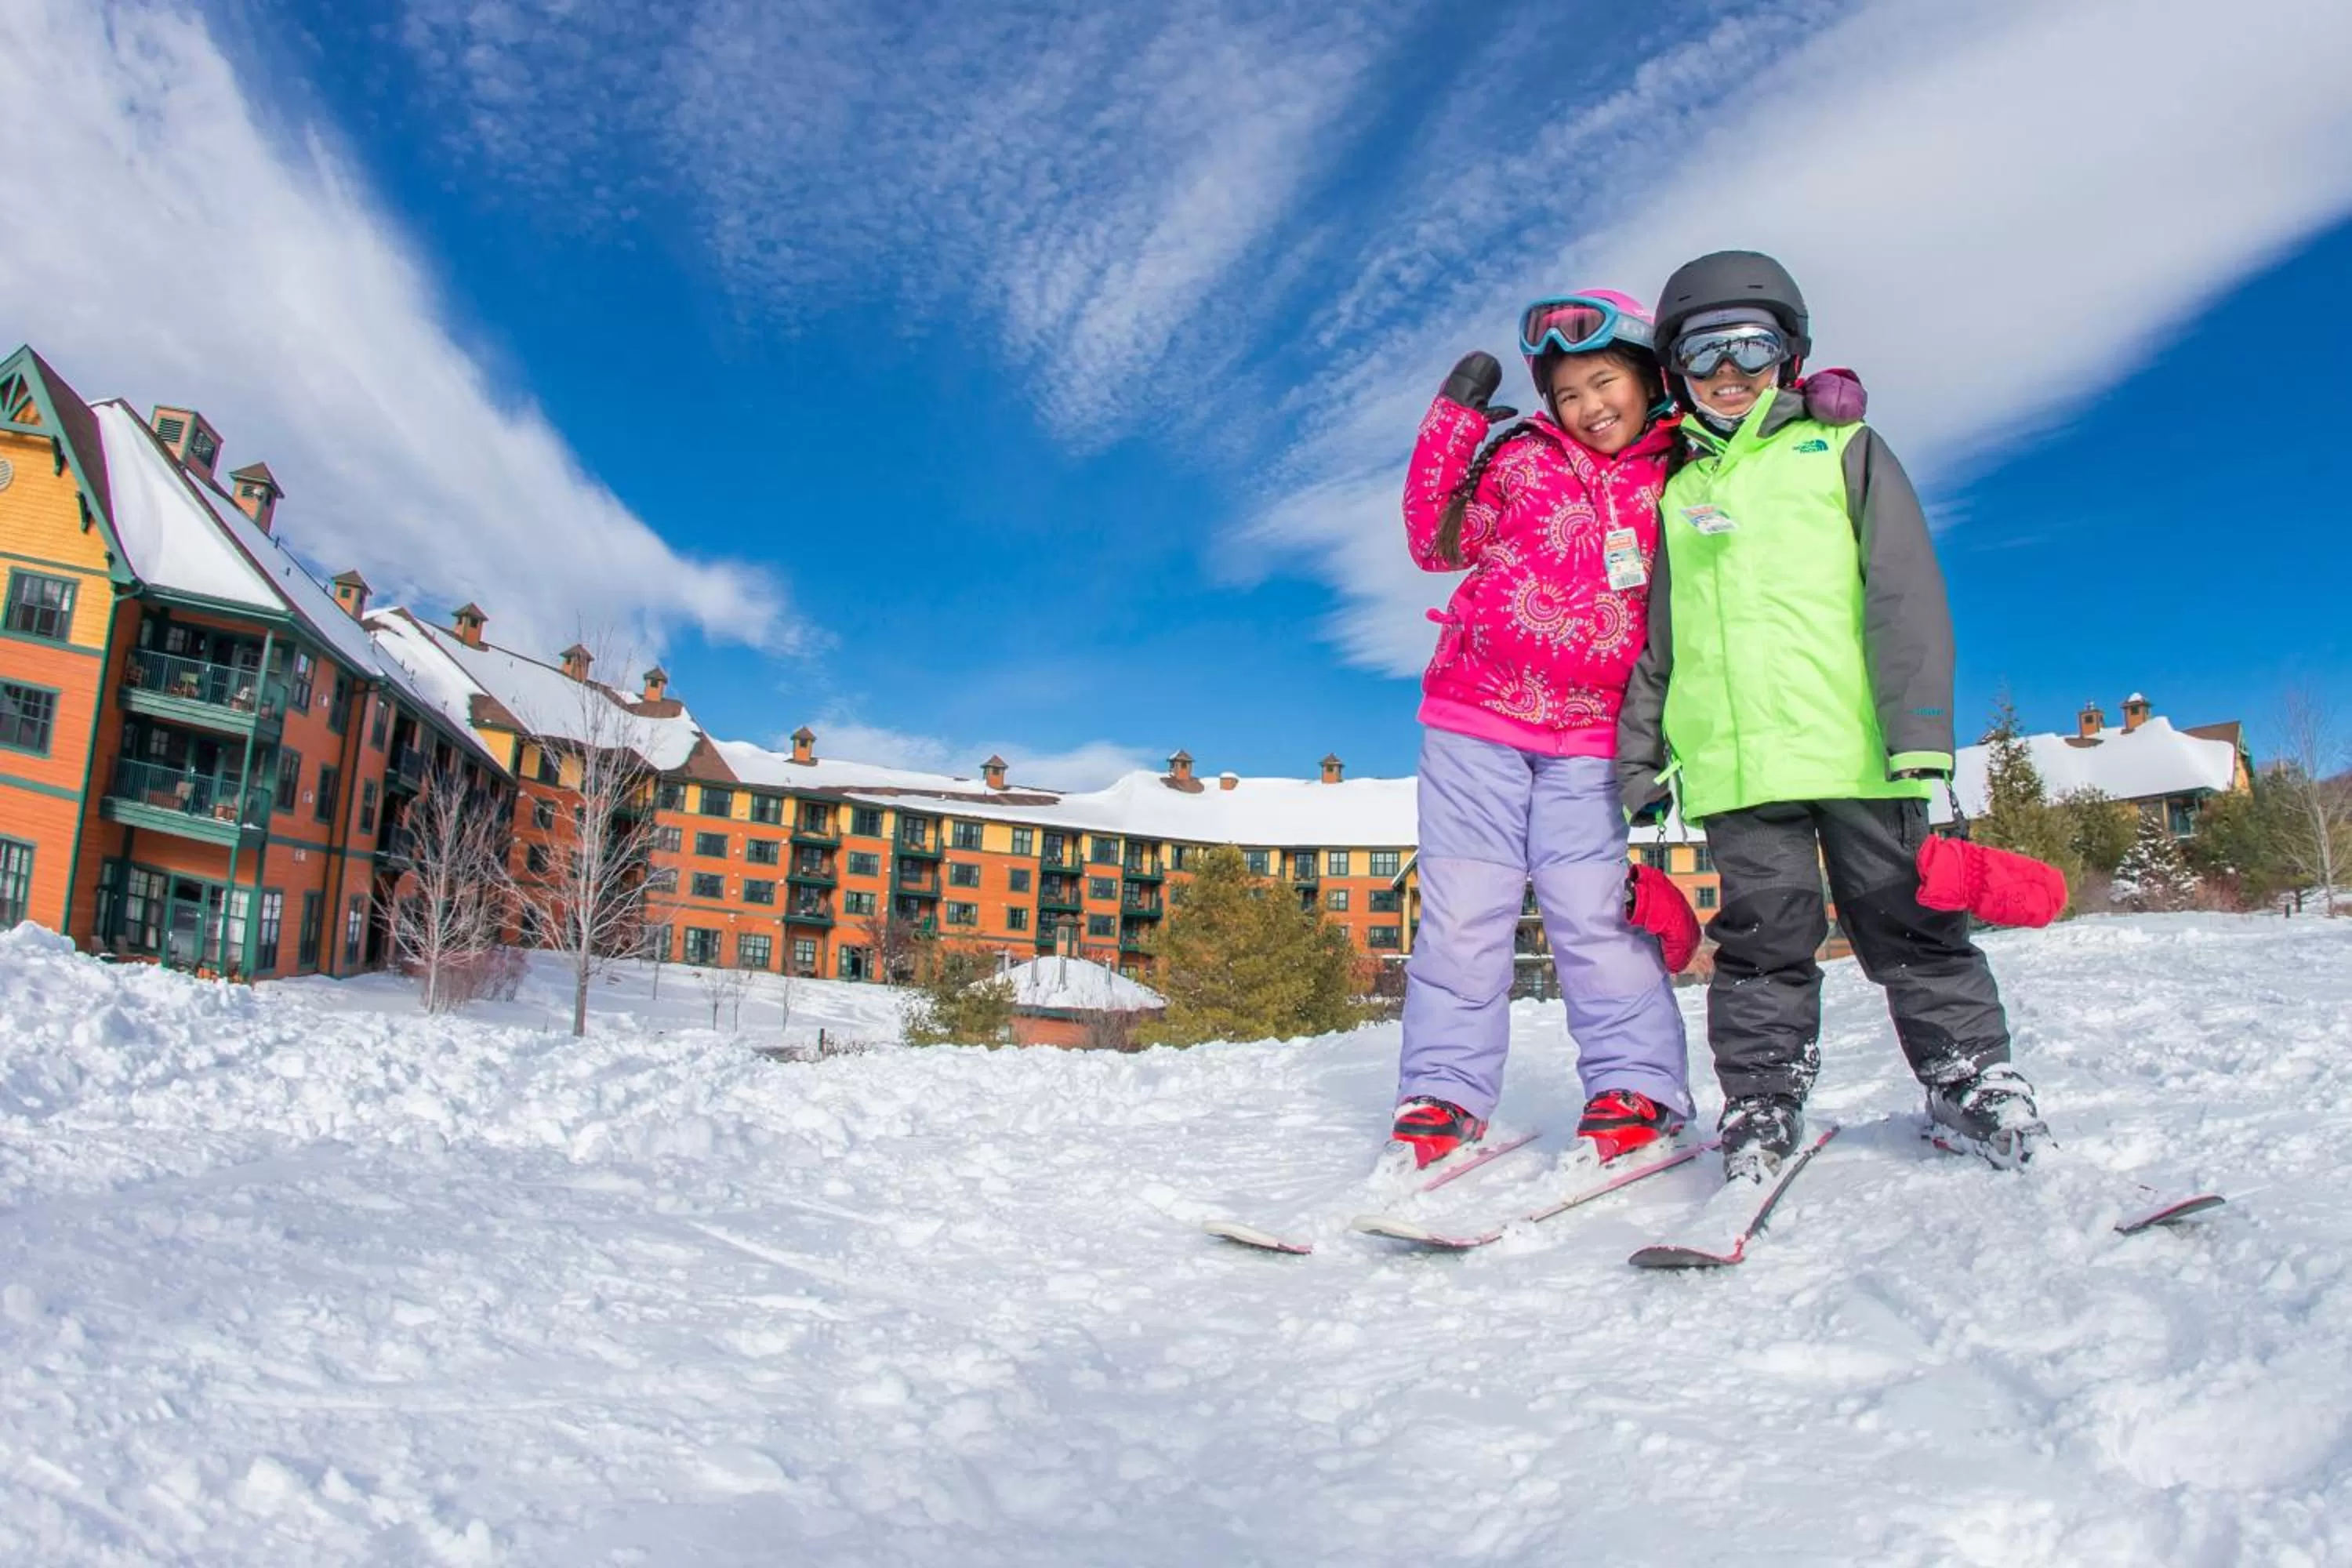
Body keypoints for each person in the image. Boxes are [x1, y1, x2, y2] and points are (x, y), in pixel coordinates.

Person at [1616, 250, 2048, 1181]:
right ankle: (1763, 1099)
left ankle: (1968, 1076)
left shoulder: (1843, 449)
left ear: (1790, 354)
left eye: (1752, 347)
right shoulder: (1678, 492)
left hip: (1860, 751)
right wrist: (1640, 762)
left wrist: (1921, 728)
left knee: (1910, 922)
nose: (1729, 373)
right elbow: (1661, 640)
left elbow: (1905, 592)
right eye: (1705, 352)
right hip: (1738, 767)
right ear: (1676, 370)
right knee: (1764, 942)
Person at [1389, 289, 1701, 1174]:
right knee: (1463, 917)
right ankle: (1443, 1093)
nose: (1588, 407)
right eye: (1567, 393)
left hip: (1598, 738)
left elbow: (1752, 449)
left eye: (1604, 382)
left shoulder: (1681, 468)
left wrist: (1815, 402)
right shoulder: (1521, 455)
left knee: (1596, 918)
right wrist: (1451, 428)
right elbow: (1435, 539)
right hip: (1475, 719)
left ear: (1646, 378)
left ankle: (1638, 1086)